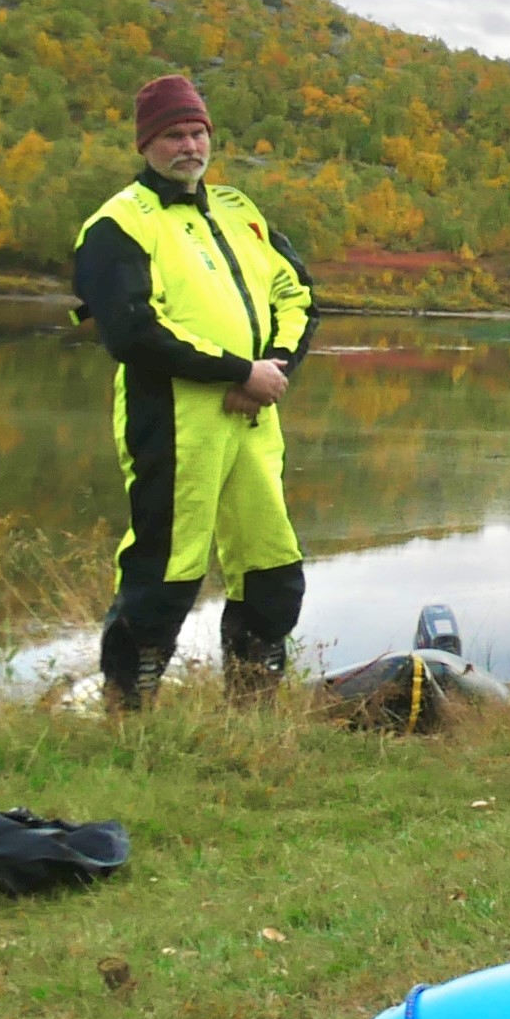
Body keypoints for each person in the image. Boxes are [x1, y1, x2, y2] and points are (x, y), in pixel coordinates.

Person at [76, 72, 314, 712]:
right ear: (146, 145)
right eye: (173, 135)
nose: (189, 146)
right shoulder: (118, 224)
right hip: (173, 420)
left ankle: (253, 702)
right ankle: (129, 708)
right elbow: (131, 332)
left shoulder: (240, 212)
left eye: (198, 132)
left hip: (255, 418)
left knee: (272, 563)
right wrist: (237, 371)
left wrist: (272, 367)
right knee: (165, 568)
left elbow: (297, 294)